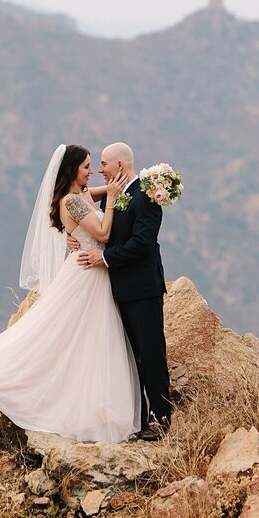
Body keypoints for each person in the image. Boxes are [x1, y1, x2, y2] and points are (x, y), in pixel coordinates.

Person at [0, 144, 140, 443]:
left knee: (86, 340)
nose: (91, 171)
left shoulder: (80, 195)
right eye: (86, 166)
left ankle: (94, 404)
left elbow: (99, 191)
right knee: (79, 339)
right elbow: (104, 234)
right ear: (72, 170)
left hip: (90, 271)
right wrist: (112, 200)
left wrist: (115, 183)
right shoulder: (72, 202)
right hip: (87, 275)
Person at [75, 142, 171, 441]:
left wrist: (103, 258)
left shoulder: (146, 194)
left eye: (103, 163)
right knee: (133, 356)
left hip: (143, 287)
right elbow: (75, 203)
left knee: (151, 352)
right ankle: (139, 416)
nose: (99, 170)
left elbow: (142, 242)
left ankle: (162, 417)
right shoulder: (115, 196)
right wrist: (72, 236)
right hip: (120, 288)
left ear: (119, 165)